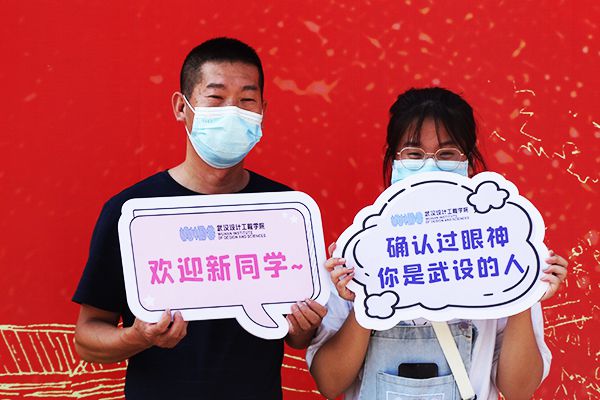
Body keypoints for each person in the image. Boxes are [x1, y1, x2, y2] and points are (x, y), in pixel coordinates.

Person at [72, 37, 326, 400]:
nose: (232, 111)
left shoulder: (284, 212)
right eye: (216, 97)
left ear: (262, 111)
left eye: (247, 100)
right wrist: (138, 336)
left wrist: (304, 325)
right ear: (181, 106)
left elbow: (297, 336)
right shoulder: (132, 212)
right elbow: (87, 339)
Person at [307, 87, 568, 400]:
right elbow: (329, 383)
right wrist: (366, 300)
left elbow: (519, 390)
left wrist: (522, 293)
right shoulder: (358, 254)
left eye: (447, 154)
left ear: (468, 161)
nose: (429, 165)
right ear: (393, 159)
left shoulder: (503, 251)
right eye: (414, 154)